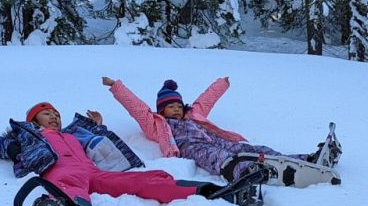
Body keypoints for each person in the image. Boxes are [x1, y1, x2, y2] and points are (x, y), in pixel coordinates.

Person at [0, 102, 225, 206]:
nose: (54, 117)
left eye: (56, 113)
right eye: (47, 114)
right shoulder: (24, 139)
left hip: (93, 173)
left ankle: (194, 190)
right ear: (33, 120)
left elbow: (101, 142)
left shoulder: (72, 133)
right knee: (69, 184)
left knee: (139, 179)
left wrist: (95, 124)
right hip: (60, 174)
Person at [101, 76, 323, 181]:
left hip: (216, 139)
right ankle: (245, 172)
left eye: (179, 105)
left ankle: (305, 159)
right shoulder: (157, 124)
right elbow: (137, 108)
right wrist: (116, 87)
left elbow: (206, 100)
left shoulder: (194, 115)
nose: (176, 110)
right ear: (162, 110)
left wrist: (222, 84)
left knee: (251, 148)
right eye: (171, 107)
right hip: (192, 147)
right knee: (217, 157)